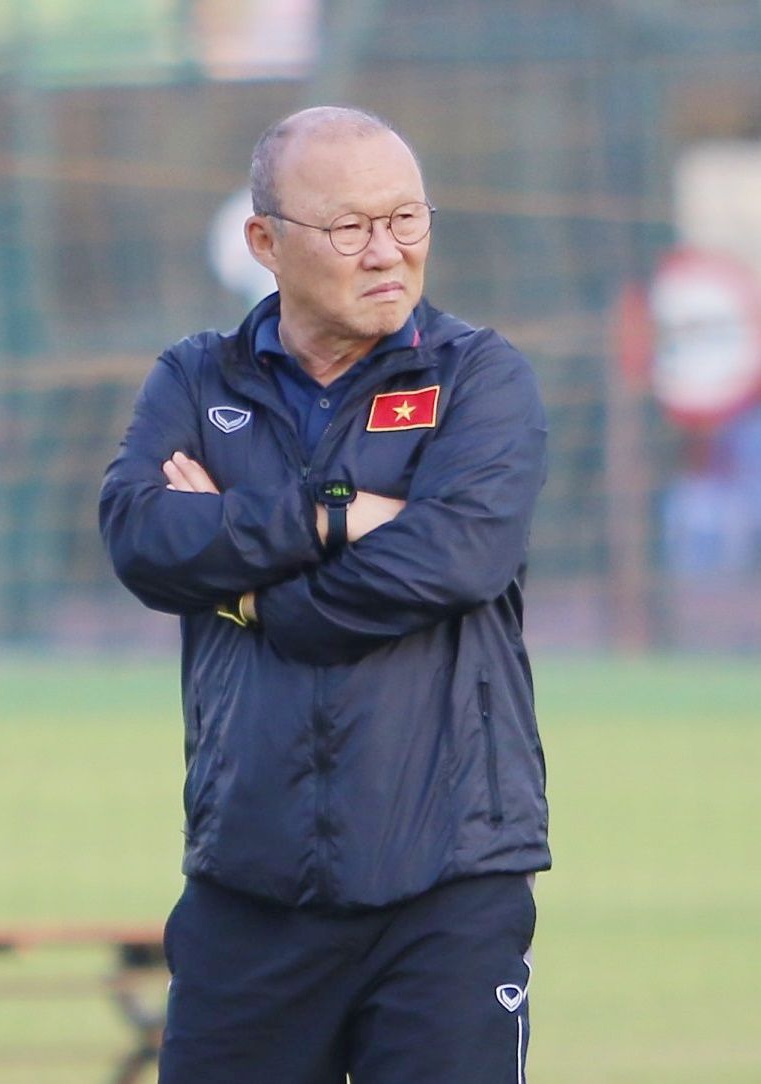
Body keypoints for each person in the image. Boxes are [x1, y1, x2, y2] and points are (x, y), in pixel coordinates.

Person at [99, 106, 550, 1083]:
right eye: (349, 228)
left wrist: (259, 598)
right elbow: (142, 537)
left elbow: (455, 557)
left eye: (407, 219)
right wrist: (335, 514)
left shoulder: (479, 378)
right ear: (264, 241)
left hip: (448, 884)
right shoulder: (192, 377)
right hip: (248, 884)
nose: (386, 251)